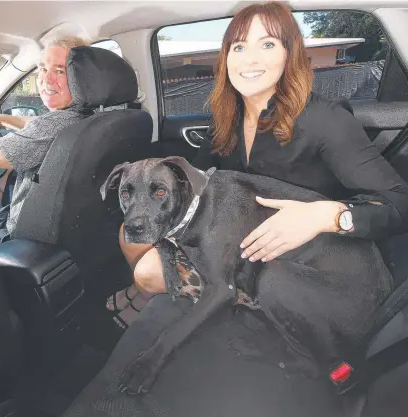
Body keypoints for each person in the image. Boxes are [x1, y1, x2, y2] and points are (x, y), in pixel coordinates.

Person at [107, 1, 408, 328]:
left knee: (148, 272)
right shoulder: (226, 119)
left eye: (267, 44)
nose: (250, 58)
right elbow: (197, 184)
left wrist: (329, 215)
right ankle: (156, 304)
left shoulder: (326, 120)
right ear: (226, 58)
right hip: (229, 239)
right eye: (239, 46)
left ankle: (174, 302)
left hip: (297, 264)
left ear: (288, 54)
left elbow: (399, 203)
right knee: (128, 233)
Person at [0, 35, 92, 246]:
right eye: (43, 69)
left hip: (17, 233)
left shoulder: (56, 125)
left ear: (81, 77)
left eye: (59, 70)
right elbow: (38, 124)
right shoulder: (91, 116)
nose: (46, 80)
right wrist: (4, 119)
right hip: (66, 223)